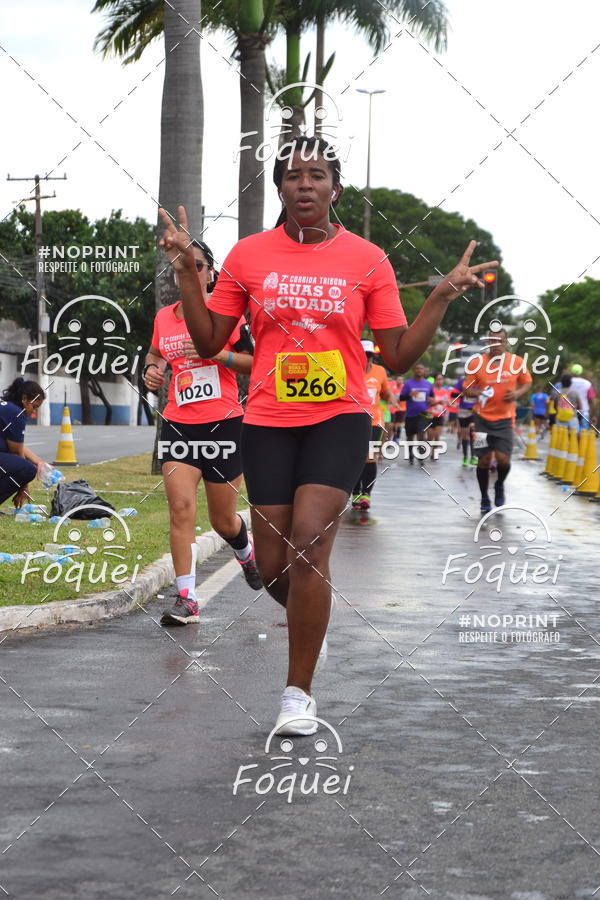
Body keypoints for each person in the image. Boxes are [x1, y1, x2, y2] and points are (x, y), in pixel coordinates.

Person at [159, 135, 497, 735]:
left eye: (317, 174)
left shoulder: (367, 259)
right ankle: (314, 623)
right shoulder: (247, 255)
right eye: (293, 176)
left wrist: (440, 297)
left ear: (334, 188)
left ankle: (297, 693)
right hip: (266, 421)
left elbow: (395, 355)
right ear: (281, 191)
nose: (305, 184)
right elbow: (211, 341)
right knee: (273, 562)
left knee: (310, 544)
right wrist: (189, 274)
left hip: (338, 418)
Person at [143, 239, 262, 627]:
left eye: (198, 265)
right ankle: (187, 599)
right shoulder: (165, 317)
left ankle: (245, 553)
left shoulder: (227, 314)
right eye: (183, 265)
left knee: (222, 521)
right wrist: (152, 370)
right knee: (180, 511)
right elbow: (155, 354)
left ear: (211, 272)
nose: (191, 271)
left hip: (224, 424)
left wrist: (218, 354)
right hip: (178, 423)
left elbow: (254, 362)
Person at [464, 327, 532, 513]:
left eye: (500, 341)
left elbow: (527, 382)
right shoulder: (476, 363)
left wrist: (517, 393)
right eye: (492, 341)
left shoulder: (516, 362)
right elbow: (466, 389)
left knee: (503, 460)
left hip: (505, 419)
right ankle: (485, 498)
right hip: (481, 419)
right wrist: (477, 393)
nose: (496, 345)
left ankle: (500, 484)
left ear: (506, 342)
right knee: (483, 460)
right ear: (487, 342)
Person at [351, 339, 398, 520]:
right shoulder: (349, 371)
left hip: (374, 421)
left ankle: (366, 494)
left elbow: (385, 391)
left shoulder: (380, 371)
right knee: (355, 458)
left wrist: (391, 398)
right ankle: (355, 492)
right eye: (364, 355)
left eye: (369, 356)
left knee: (369, 457)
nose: (367, 359)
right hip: (352, 421)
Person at [0, 378, 48, 510]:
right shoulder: (16, 413)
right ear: (24, 399)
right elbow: (16, 452)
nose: (34, 412)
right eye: (34, 407)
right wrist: (23, 486)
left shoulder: (6, 405)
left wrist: (39, 462)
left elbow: (16, 446)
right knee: (27, 469)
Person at [399, 363, 435, 464]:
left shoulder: (428, 384)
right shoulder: (408, 384)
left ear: (424, 371)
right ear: (414, 370)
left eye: (421, 369)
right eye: (417, 369)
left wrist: (432, 400)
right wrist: (409, 395)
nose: (419, 370)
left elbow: (432, 397)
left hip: (423, 414)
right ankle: (410, 455)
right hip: (410, 414)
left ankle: (421, 456)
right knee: (410, 436)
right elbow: (401, 398)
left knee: (421, 433)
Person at [452, 373, 477, 467]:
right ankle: (465, 457)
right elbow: (453, 394)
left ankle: (474, 457)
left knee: (473, 433)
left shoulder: (479, 381)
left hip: (475, 411)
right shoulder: (462, 382)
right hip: (463, 412)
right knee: (465, 436)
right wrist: (462, 394)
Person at [568, 364, 595, 429]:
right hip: (584, 412)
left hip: (570, 412)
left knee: (571, 435)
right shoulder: (587, 383)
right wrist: (593, 415)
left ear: (571, 372)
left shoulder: (567, 382)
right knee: (583, 435)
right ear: (581, 372)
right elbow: (591, 400)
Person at [429, 373, 451, 444]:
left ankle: (433, 454)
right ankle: (425, 447)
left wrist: (451, 404)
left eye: (441, 379)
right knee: (430, 437)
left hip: (440, 416)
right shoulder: (431, 391)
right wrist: (438, 402)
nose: (440, 381)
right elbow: (428, 403)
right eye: (438, 379)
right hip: (430, 416)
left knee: (437, 435)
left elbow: (448, 403)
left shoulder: (446, 391)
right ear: (435, 381)